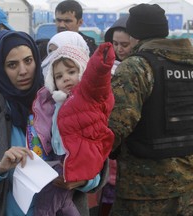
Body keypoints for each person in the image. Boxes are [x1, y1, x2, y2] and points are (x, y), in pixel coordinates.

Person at [0, 30, 105, 216]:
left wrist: (82, 180)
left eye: (28, 61)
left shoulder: (62, 102)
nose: (23, 71)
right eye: (12, 65)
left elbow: (98, 157)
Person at [109, 3, 193, 216]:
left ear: (134, 33)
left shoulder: (135, 67)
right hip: (188, 190)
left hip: (142, 194)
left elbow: (115, 129)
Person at [33, 42, 115, 215]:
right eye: (59, 76)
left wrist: (100, 64)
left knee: (46, 202)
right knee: (65, 202)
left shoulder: (86, 96)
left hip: (74, 158)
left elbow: (97, 81)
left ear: (83, 72)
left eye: (72, 72)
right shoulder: (58, 101)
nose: (66, 78)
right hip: (63, 156)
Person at [98, 15, 131, 216]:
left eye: (125, 44)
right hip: (107, 145)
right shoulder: (103, 69)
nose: (120, 49)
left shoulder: (141, 72)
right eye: (116, 43)